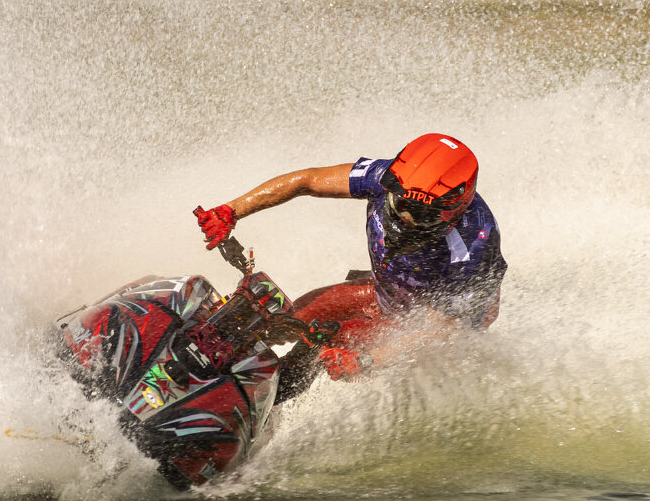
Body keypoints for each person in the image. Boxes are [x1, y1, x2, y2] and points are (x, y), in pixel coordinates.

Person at [194, 133, 507, 401]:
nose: (405, 221)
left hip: (425, 326)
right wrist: (231, 211)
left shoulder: (473, 246)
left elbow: (443, 330)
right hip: (387, 291)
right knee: (291, 317)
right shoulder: (388, 178)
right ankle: (207, 364)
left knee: (323, 342)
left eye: (421, 215)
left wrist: (368, 359)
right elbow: (307, 181)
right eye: (400, 205)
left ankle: (257, 407)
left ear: (454, 209)